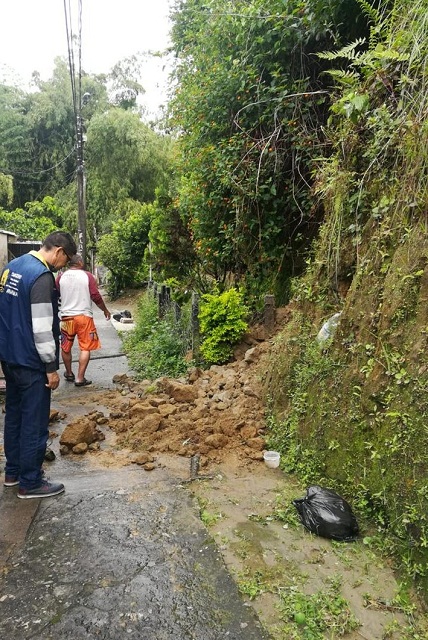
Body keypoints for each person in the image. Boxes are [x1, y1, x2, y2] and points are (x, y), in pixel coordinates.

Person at [0, 231, 77, 498]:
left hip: (9, 357)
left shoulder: (12, 267)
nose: (63, 266)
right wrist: (50, 368)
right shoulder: (42, 277)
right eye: (66, 260)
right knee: (34, 421)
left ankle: (12, 473)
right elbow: (43, 328)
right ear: (59, 251)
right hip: (31, 362)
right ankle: (30, 482)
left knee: (14, 416)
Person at [56, 254, 111, 387]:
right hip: (84, 317)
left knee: (65, 347)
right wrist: (105, 310)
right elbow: (95, 295)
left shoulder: (61, 277)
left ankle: (69, 373)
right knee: (85, 347)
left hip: (66, 318)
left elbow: (56, 293)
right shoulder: (87, 276)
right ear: (80, 262)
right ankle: (80, 378)